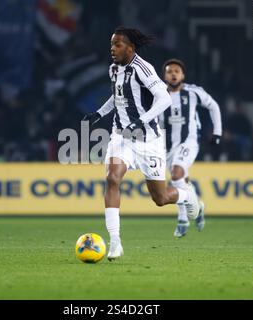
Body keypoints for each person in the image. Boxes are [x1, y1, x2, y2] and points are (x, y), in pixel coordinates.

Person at [82, 27, 200, 260]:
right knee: (112, 178)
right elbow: (117, 97)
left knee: (161, 198)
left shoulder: (143, 68)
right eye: (111, 44)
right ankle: (115, 242)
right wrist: (98, 114)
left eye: (117, 45)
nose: (112, 49)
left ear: (130, 48)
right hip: (121, 135)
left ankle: (188, 197)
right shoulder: (114, 69)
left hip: (148, 141)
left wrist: (140, 121)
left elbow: (164, 98)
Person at [160, 58, 222, 237]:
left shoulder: (193, 92)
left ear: (183, 75)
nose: (173, 74)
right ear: (164, 76)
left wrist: (217, 132)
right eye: (169, 71)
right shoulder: (158, 94)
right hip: (166, 145)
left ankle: (183, 219)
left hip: (189, 141)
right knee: (179, 181)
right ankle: (198, 207)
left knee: (176, 173)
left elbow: (214, 106)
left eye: (176, 71)